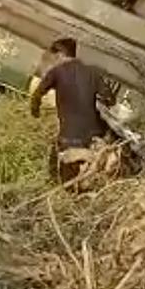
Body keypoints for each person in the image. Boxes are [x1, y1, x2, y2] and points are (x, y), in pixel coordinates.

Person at [28, 37, 105, 184]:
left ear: (60, 55)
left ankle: (77, 178)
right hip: (94, 130)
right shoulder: (91, 71)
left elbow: (36, 95)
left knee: (60, 168)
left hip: (74, 137)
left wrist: (35, 111)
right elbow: (109, 98)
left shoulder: (56, 73)